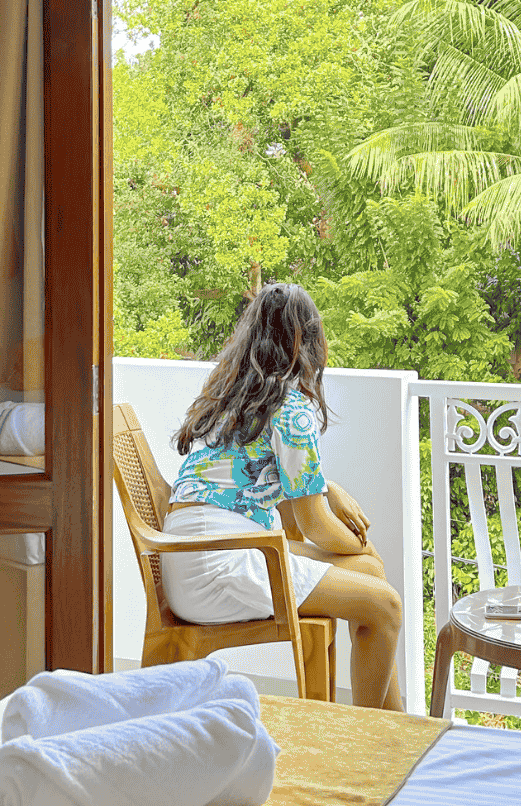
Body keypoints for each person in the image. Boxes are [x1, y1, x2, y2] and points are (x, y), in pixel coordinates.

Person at [164, 282, 405, 711]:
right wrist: (361, 541)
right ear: (307, 342)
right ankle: (372, 739)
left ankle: (399, 727)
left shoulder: (231, 391)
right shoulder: (290, 409)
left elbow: (258, 474)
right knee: (384, 603)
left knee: (370, 571)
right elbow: (313, 524)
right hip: (220, 563)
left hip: (195, 554)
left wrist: (328, 486)